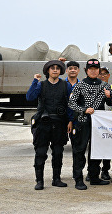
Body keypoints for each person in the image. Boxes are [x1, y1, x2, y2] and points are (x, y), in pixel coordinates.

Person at [68, 59, 112, 190]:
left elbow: (111, 103)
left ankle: (94, 177)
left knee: (96, 152)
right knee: (79, 151)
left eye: (95, 69)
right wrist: (84, 109)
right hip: (82, 123)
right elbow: (71, 103)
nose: (93, 71)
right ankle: (78, 179)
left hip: (98, 125)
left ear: (99, 70)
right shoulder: (80, 85)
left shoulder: (105, 85)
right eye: (90, 69)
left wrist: (109, 96)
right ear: (86, 71)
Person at [26, 60, 73, 190]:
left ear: (61, 71)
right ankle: (39, 181)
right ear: (48, 71)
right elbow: (30, 97)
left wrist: (70, 120)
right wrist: (34, 81)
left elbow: (70, 104)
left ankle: (56, 179)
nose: (55, 70)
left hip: (60, 124)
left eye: (58, 68)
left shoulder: (65, 85)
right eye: (52, 68)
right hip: (43, 124)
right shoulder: (41, 85)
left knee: (58, 152)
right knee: (40, 152)